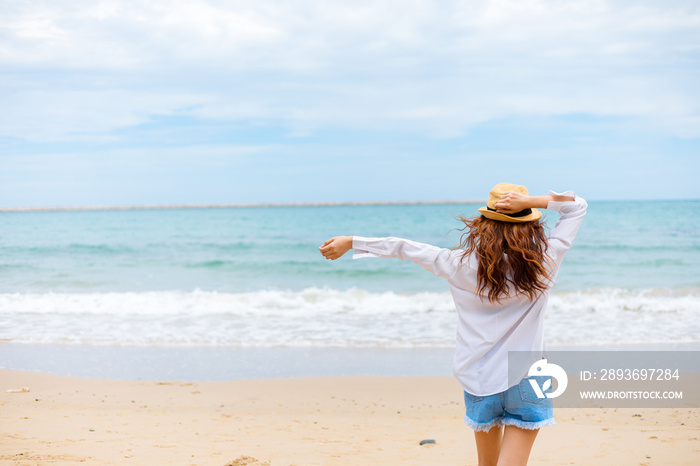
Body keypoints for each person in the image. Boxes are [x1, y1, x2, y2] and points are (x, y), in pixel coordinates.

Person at [318, 182, 587, 466]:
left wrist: (351, 241)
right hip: (528, 378)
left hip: (479, 377)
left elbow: (404, 248)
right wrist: (529, 201)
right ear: (530, 225)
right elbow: (576, 207)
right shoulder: (545, 261)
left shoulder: (457, 263)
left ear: (483, 224)